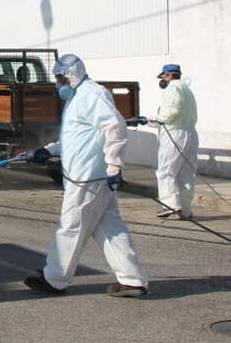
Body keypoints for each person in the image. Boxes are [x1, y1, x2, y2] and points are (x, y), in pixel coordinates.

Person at [23, 54, 149, 298]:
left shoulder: (91, 95)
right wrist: (49, 150)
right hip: (90, 176)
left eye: (60, 78)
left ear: (71, 75)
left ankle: (55, 279)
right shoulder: (77, 97)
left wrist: (114, 165)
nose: (57, 83)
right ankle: (132, 280)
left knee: (71, 226)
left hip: (88, 177)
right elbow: (77, 137)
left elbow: (115, 127)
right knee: (110, 229)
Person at [152, 63, 199, 220]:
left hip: (175, 134)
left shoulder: (172, 88)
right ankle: (185, 210)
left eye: (164, 77)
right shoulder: (186, 89)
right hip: (190, 133)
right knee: (185, 174)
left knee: (166, 171)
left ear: (168, 75)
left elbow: (171, 112)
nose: (163, 81)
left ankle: (170, 205)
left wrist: (156, 119)